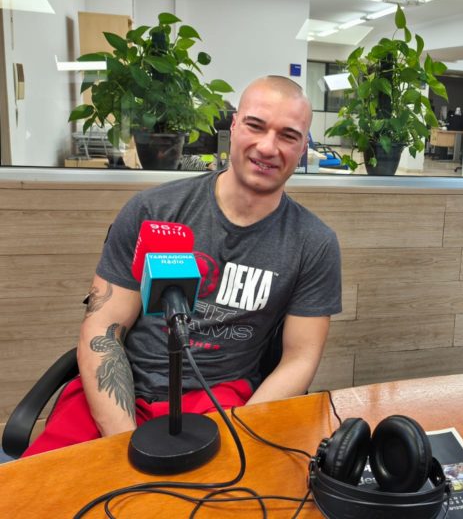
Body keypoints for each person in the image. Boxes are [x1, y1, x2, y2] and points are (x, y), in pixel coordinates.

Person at [24, 76, 341, 455]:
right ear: (235, 125)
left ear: (303, 146)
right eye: (255, 126)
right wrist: (125, 441)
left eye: (288, 135)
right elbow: (102, 329)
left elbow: (299, 358)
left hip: (220, 401)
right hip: (123, 391)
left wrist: (242, 438)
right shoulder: (153, 211)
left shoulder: (313, 243)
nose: (268, 147)